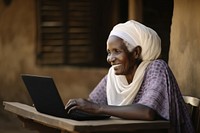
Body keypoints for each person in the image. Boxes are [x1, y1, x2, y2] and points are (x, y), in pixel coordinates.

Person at [65, 20, 195, 133]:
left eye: (117, 51)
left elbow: (147, 112)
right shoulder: (114, 77)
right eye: (109, 52)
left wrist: (98, 108)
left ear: (136, 52)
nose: (110, 59)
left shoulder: (156, 68)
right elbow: (92, 104)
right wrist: (77, 108)